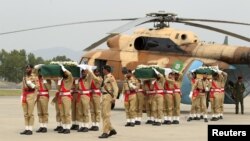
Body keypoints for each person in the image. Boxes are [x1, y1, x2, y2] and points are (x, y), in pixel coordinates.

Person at [98, 65, 118, 138]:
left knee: (106, 115)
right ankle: (111, 129)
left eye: (103, 69)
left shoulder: (111, 77)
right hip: (103, 96)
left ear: (106, 70)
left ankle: (105, 132)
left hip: (108, 97)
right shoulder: (105, 77)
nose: (102, 70)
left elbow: (115, 88)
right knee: (103, 115)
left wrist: (114, 98)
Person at [20, 64, 38, 135]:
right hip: (25, 95)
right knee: (25, 113)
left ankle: (30, 129)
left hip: (31, 95)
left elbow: (38, 86)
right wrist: (21, 95)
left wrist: (32, 85)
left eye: (29, 68)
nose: (27, 69)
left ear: (32, 69)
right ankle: (26, 128)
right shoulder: (24, 77)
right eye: (26, 68)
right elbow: (22, 87)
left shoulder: (34, 77)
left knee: (30, 113)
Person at [34, 64, 52, 133]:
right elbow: (33, 72)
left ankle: (45, 126)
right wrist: (37, 67)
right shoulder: (37, 79)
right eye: (39, 72)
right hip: (38, 96)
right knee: (39, 112)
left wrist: (45, 81)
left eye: (41, 72)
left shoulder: (47, 79)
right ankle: (41, 126)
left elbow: (49, 88)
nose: (40, 73)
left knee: (44, 112)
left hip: (44, 96)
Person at [57, 64, 73, 134]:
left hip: (66, 97)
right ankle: (64, 127)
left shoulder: (70, 79)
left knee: (67, 113)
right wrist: (59, 82)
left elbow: (70, 74)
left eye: (65, 72)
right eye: (63, 72)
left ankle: (68, 128)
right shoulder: (62, 80)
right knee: (62, 113)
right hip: (61, 97)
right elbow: (58, 89)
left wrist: (64, 69)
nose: (64, 73)